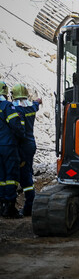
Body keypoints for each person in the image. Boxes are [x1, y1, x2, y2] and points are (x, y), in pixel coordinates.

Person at [11, 84, 41, 216]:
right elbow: (36, 105)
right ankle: (28, 204)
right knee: (27, 171)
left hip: (23, 146)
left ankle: (28, 206)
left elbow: (20, 131)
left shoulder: (17, 109)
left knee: (24, 175)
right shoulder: (31, 107)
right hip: (31, 144)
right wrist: (37, 101)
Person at [0, 81, 26, 218]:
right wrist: (22, 136)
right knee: (11, 176)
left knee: (1, 177)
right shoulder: (7, 106)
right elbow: (16, 125)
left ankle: (1, 206)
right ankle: (10, 208)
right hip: (8, 146)